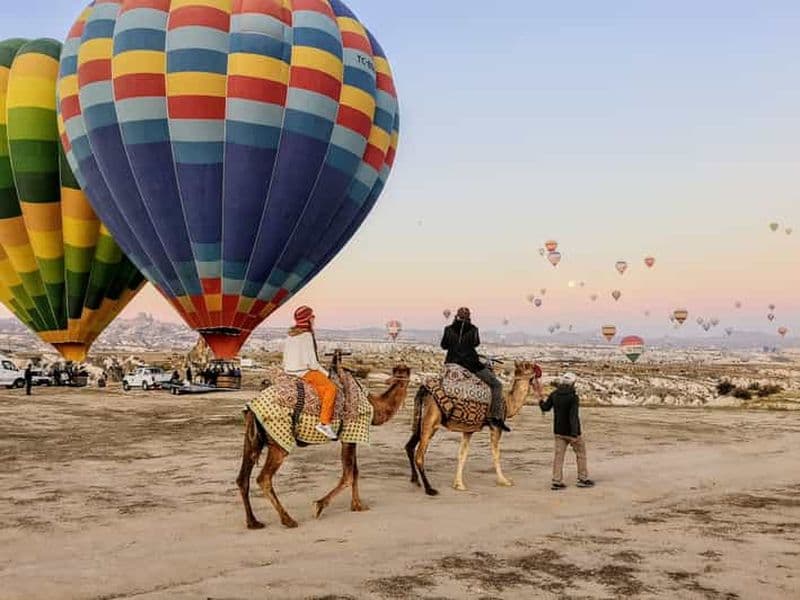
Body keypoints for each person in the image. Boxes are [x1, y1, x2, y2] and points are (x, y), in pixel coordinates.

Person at [441, 307, 509, 432]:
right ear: (469, 317)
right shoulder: (473, 329)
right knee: (496, 385)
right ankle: (496, 417)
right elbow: (476, 344)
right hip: (470, 364)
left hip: (451, 363)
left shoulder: (448, 329)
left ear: (456, 316)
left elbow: (444, 345)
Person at [283, 306, 338, 440]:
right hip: (304, 372)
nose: (314, 319)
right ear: (308, 319)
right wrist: (327, 374)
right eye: (312, 317)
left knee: (320, 387)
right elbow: (313, 364)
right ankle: (324, 423)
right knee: (331, 388)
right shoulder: (306, 335)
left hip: (289, 370)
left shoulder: (291, 335)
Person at [539, 372, 594, 490]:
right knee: (581, 454)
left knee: (558, 457)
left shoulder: (554, 394)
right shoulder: (573, 397)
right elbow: (573, 416)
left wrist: (541, 402)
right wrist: (575, 433)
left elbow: (545, 408)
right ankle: (583, 479)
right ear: (573, 383)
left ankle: (557, 481)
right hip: (572, 432)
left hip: (558, 431)